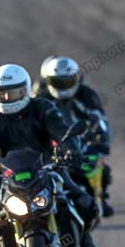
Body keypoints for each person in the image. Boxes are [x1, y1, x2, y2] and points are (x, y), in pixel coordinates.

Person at [0, 64, 100, 247]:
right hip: (10, 176)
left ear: (26, 90)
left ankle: (83, 238)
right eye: (3, 94)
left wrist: (72, 150)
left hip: (47, 168)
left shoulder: (42, 107)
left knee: (86, 204)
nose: (7, 98)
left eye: (14, 93)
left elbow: (62, 131)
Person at [34, 56, 114, 216]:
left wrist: (102, 140)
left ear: (77, 79)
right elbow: (32, 124)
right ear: (48, 81)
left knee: (102, 168)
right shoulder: (41, 97)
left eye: (67, 81)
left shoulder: (86, 95)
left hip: (82, 140)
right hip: (52, 144)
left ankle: (101, 198)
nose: (63, 86)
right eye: (58, 82)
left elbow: (100, 118)